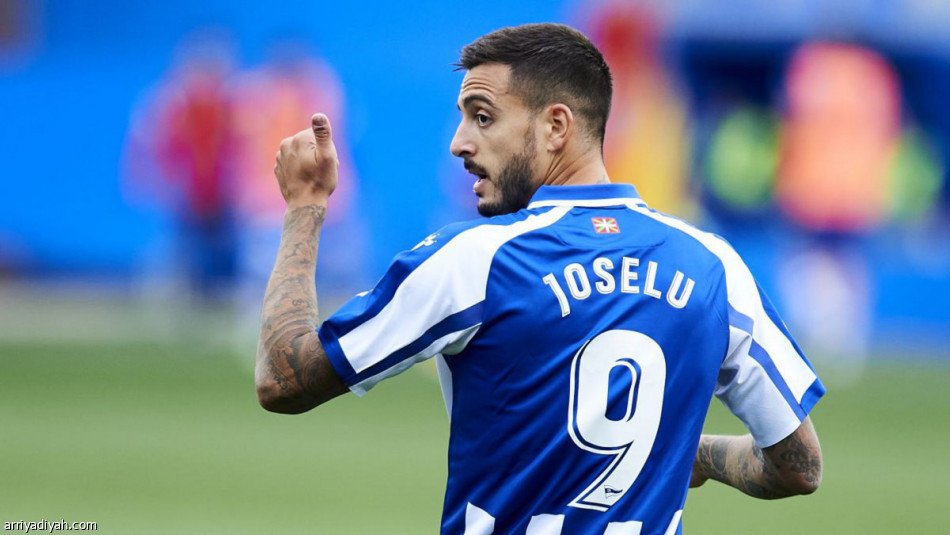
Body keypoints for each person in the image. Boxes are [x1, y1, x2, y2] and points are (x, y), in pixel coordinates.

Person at [256, 23, 824, 534]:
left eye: (483, 117)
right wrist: (696, 455)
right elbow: (798, 467)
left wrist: (304, 205)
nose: (459, 142)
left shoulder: (477, 260)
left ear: (556, 126)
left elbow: (284, 378)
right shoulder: (714, 266)